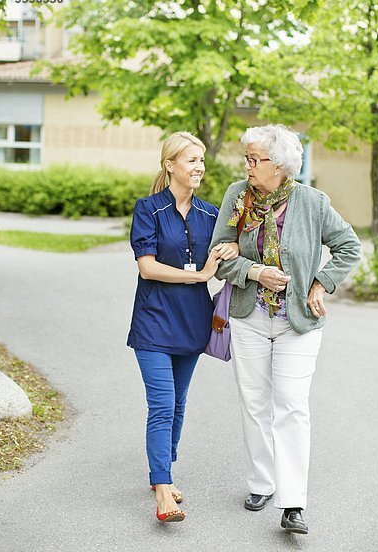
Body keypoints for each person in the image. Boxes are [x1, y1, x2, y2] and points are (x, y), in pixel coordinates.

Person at [209, 124, 362, 534]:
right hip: (249, 317)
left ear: (279, 166)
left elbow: (350, 246)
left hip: (298, 322)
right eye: (247, 158)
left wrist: (320, 282)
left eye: (254, 159)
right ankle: (262, 482)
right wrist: (256, 271)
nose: (247, 165)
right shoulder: (237, 196)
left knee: (292, 406)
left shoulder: (312, 202)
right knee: (255, 402)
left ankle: (292, 502)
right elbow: (219, 257)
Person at [127, 131, 238, 523]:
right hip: (154, 322)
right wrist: (200, 275)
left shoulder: (211, 214)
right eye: (191, 160)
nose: (199, 167)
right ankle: (162, 490)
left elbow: (231, 245)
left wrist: (232, 249)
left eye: (202, 161)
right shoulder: (149, 209)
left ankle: (164, 471)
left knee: (177, 405)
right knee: (161, 405)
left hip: (193, 323)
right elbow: (147, 266)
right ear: (170, 164)